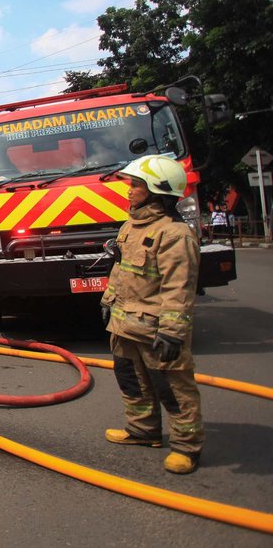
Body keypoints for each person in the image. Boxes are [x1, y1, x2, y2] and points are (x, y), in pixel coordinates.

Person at [100, 154, 203, 475]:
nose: (129, 190)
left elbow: (179, 287)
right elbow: (121, 270)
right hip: (124, 322)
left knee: (171, 388)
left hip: (155, 327)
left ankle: (187, 447)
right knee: (131, 380)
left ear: (158, 190)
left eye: (136, 185)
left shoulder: (174, 234)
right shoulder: (130, 226)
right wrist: (107, 300)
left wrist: (172, 330)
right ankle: (143, 431)